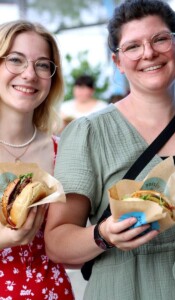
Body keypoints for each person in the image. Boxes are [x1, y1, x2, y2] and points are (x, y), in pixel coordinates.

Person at [44, 0, 175, 299]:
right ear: (117, 61)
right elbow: (57, 243)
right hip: (126, 288)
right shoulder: (89, 133)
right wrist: (102, 235)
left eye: (160, 39)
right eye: (133, 46)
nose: (148, 53)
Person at [0, 20, 74, 299]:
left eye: (43, 65)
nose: (29, 74)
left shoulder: (64, 151)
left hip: (52, 292)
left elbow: (71, 248)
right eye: (16, 60)